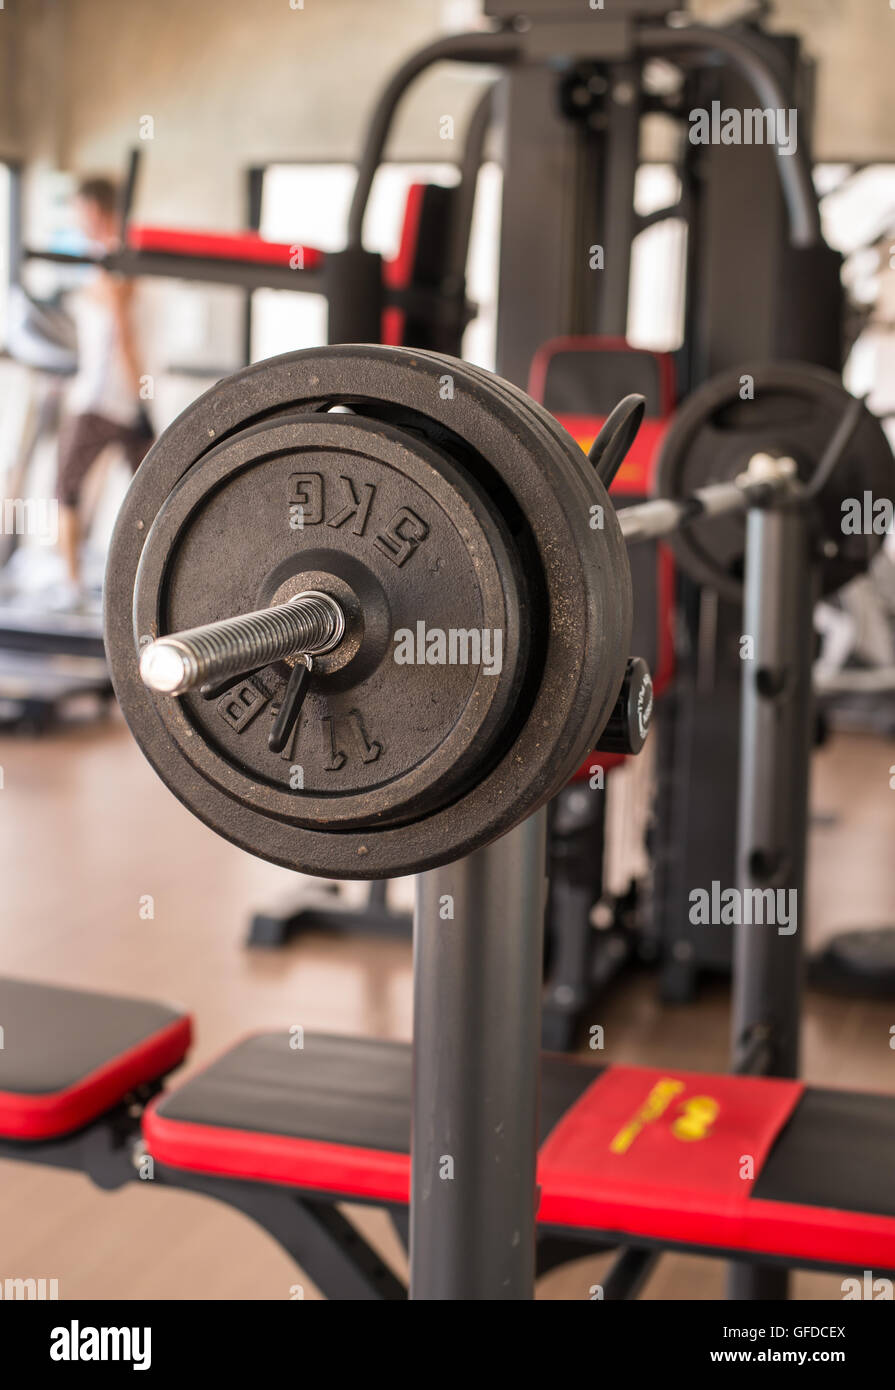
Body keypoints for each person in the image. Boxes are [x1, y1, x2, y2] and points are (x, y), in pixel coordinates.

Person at [56, 176, 153, 605]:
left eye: (80, 209)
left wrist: (142, 399)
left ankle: (74, 586)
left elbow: (124, 332)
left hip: (103, 399)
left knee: (67, 490)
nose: (77, 219)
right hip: (119, 398)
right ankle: (133, 584)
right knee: (151, 493)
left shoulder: (119, 258)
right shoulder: (105, 257)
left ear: (95, 210)